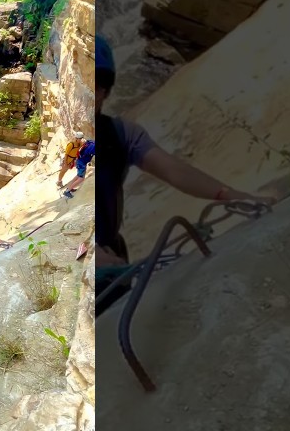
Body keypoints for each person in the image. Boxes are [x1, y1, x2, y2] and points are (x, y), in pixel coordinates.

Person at [94, 35, 274, 310]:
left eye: (97, 84)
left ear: (105, 91)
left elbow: (173, 170)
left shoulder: (120, 135)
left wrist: (228, 195)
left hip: (109, 268)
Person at [57, 133, 96, 198]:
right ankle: (67, 191)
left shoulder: (87, 143)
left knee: (78, 176)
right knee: (81, 178)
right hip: (81, 163)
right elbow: (66, 154)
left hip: (79, 162)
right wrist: (66, 163)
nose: (76, 140)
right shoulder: (89, 144)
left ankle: (69, 188)